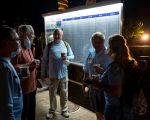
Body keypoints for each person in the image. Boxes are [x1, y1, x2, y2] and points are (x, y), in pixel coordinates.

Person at [94, 35, 138, 120]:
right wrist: (104, 72)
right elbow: (121, 80)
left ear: (112, 48)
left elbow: (117, 92)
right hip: (127, 106)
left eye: (109, 45)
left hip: (115, 109)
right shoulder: (130, 63)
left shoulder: (115, 67)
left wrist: (100, 85)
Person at [41, 28, 74, 119]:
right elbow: (44, 60)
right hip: (52, 75)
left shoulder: (66, 44)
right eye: (55, 34)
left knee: (64, 93)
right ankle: (52, 110)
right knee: (52, 93)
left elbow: (72, 56)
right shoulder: (49, 46)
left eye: (58, 34)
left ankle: (64, 110)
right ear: (53, 35)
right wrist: (43, 73)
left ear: (61, 35)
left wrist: (67, 56)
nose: (57, 36)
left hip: (64, 74)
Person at [83, 32, 112, 120]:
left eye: (98, 42)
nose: (96, 44)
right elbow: (87, 70)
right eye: (94, 42)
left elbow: (113, 73)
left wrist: (102, 70)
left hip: (103, 88)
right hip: (92, 86)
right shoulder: (91, 52)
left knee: (105, 112)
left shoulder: (108, 54)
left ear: (103, 42)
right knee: (96, 110)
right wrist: (84, 85)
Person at [11, 25, 37, 120]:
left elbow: (30, 65)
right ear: (25, 35)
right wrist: (30, 66)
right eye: (32, 34)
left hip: (32, 89)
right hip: (23, 91)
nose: (33, 36)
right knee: (23, 116)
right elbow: (13, 69)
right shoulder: (17, 50)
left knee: (31, 115)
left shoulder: (28, 47)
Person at [0, 26, 23, 120]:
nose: (19, 42)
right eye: (17, 39)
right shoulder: (4, 68)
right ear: (7, 43)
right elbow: (6, 105)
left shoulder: (6, 62)